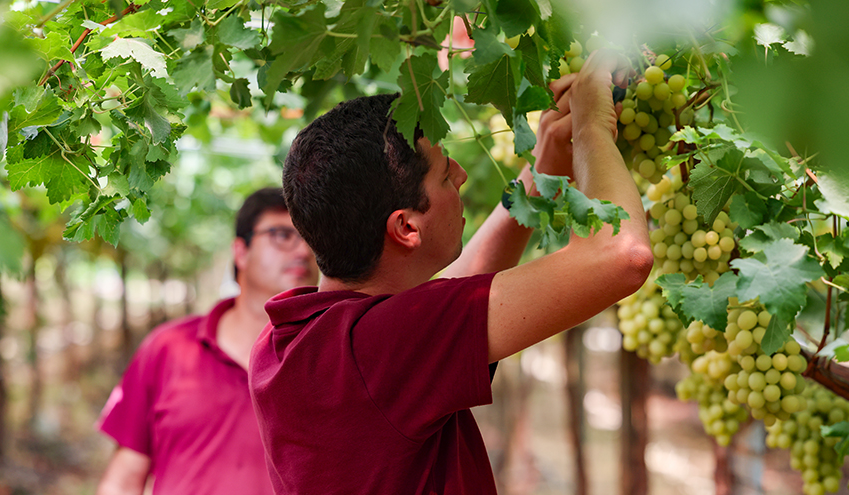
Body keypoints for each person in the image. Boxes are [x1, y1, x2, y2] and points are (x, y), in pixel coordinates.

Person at [249, 52, 653, 494]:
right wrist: (592, 129)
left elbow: (465, 285)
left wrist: (544, 162)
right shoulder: (384, 348)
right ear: (406, 227)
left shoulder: (286, 344)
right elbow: (623, 255)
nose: (461, 175)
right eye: (444, 176)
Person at [95, 188, 318, 495]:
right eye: (282, 235)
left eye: (310, 237)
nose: (302, 251)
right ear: (241, 251)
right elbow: (125, 477)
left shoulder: (332, 358)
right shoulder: (168, 348)